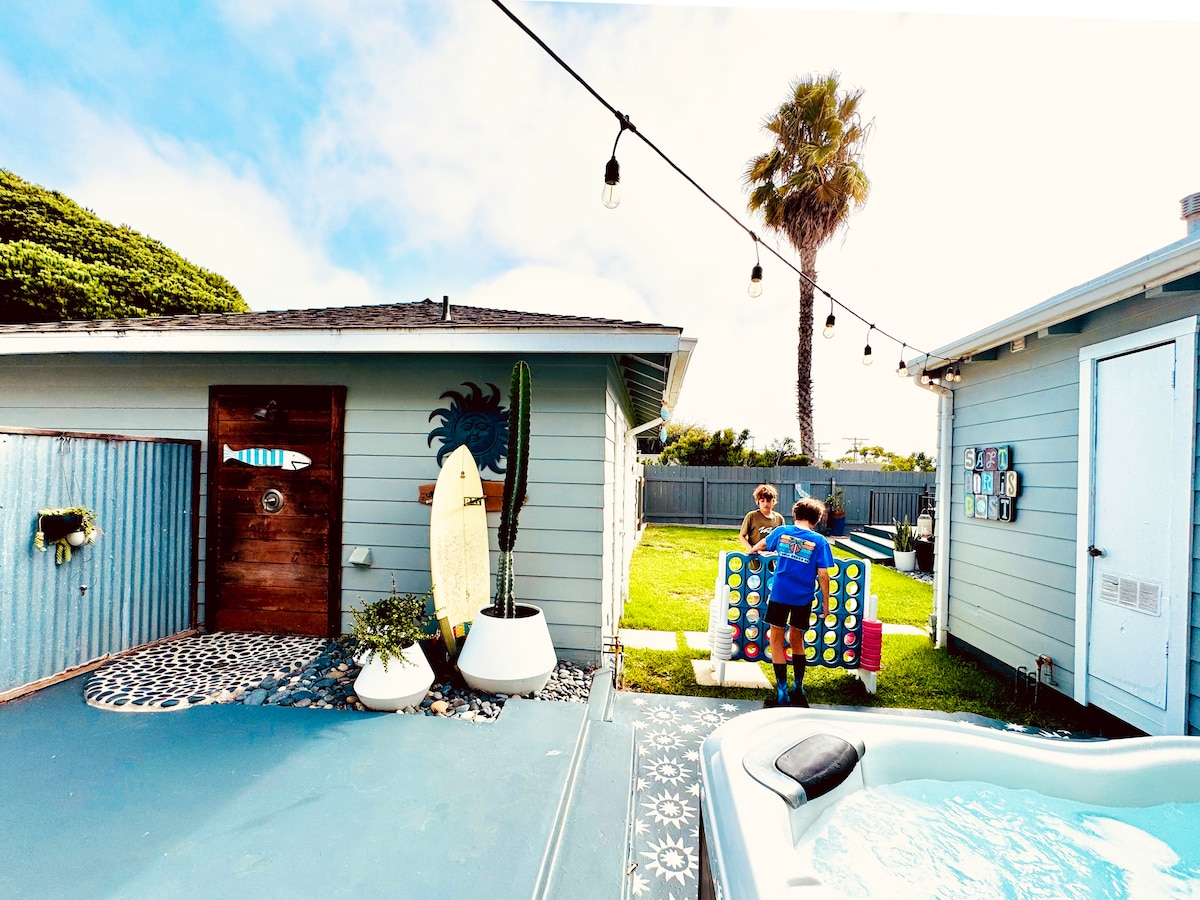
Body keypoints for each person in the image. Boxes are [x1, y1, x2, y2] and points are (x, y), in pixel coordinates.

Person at [750, 497, 833, 708]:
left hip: (780, 594)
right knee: (797, 639)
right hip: (803, 598)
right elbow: (824, 575)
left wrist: (753, 550)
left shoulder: (782, 532)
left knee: (776, 639)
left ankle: (782, 692)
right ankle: (798, 688)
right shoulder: (820, 541)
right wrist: (826, 603)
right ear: (816, 520)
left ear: (795, 515)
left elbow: (761, 545)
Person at [738, 484, 784, 553]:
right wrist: (750, 548)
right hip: (755, 554)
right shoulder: (752, 516)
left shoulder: (779, 518)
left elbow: (782, 538)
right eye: (762, 501)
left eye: (768, 501)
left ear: (774, 501)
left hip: (772, 555)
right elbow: (742, 536)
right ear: (758, 502)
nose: (765, 504)